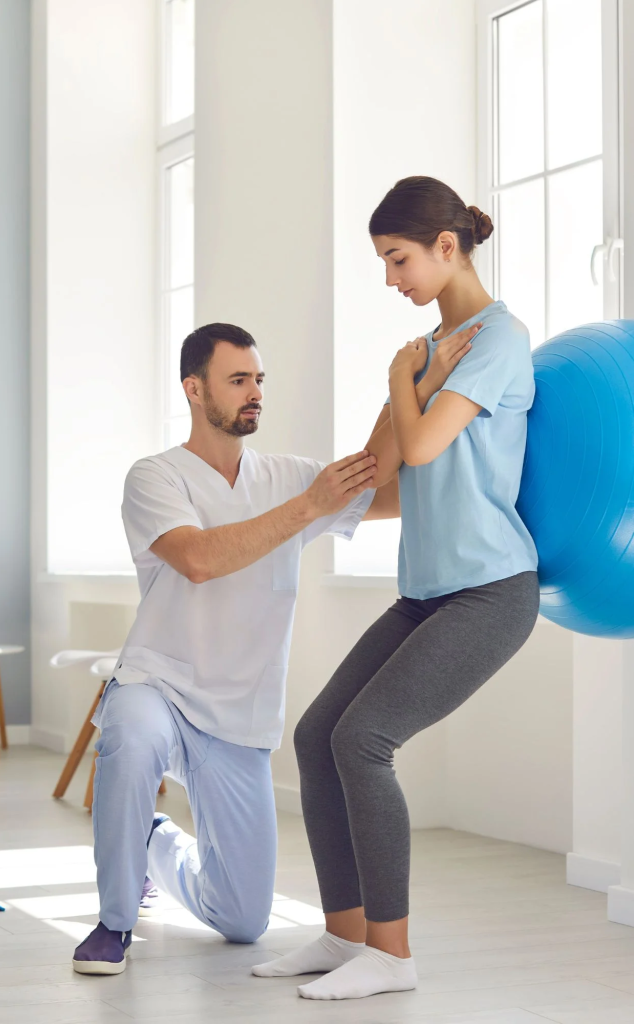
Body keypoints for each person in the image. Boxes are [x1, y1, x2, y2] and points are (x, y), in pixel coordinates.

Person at [252, 176, 540, 1001]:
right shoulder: (427, 350)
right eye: (384, 262)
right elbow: (382, 466)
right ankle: (345, 937)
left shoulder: (499, 339)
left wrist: (397, 375)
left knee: (362, 741)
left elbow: (420, 451)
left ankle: (392, 953)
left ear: (446, 247)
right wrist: (408, 373)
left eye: (397, 259)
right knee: (316, 736)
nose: (391, 279)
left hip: (490, 590)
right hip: (426, 592)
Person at [72, 322, 400, 975]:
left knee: (245, 922)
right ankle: (113, 922)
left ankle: (155, 842)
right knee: (131, 739)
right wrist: (308, 507)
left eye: (258, 380)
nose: (254, 393)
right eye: (237, 380)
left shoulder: (289, 477)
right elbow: (197, 559)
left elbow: (381, 489)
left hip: (239, 711)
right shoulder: (155, 477)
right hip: (157, 683)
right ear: (194, 390)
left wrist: (402, 392)